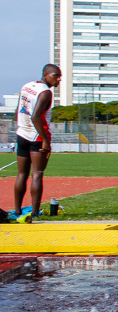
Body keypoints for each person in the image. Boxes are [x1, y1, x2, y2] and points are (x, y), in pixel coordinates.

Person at [12, 64, 62, 220]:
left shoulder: (27, 86)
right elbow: (35, 117)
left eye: (60, 77)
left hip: (22, 133)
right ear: (45, 75)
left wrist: (20, 126)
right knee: (37, 174)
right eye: (55, 76)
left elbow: (19, 109)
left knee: (21, 174)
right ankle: (34, 212)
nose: (58, 80)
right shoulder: (46, 93)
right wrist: (46, 141)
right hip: (37, 136)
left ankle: (17, 211)